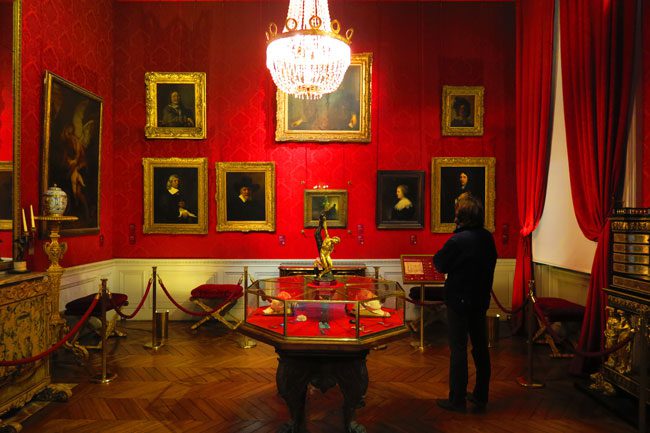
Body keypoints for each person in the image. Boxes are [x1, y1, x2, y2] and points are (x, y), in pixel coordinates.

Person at [433, 194, 497, 413]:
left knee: (458, 349)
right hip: (480, 300)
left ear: (462, 215)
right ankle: (481, 396)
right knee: (480, 349)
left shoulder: (458, 240)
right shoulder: (488, 238)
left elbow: (439, 263)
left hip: (459, 301)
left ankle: (457, 399)